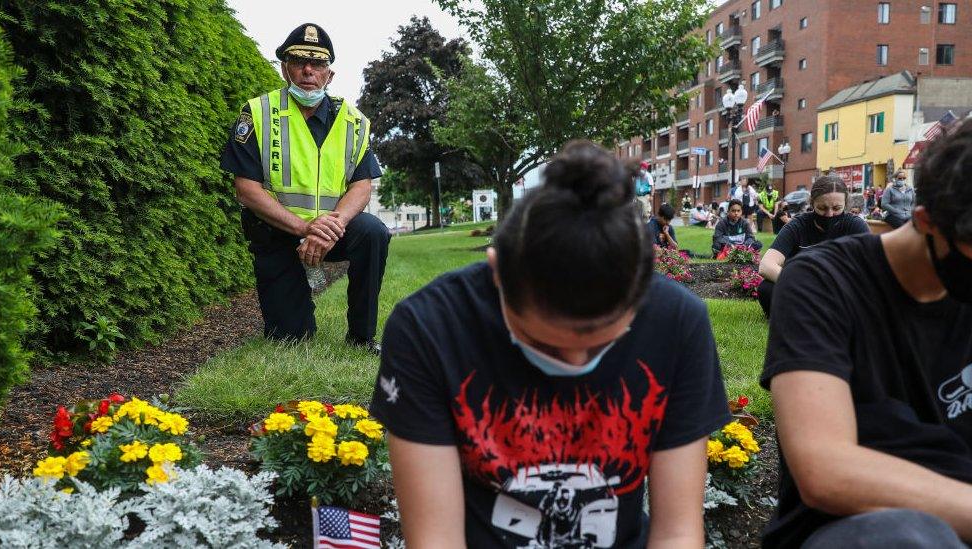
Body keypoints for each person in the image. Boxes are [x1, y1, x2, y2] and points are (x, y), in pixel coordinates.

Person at [370, 141, 730, 547]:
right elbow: (436, 539)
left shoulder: (677, 322)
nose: (576, 363)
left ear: (642, 291)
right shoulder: (429, 329)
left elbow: (677, 532)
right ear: (498, 273)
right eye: (545, 344)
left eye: (603, 345)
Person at [759, 117, 972, 549]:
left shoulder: (853, 227)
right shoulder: (822, 281)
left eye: (837, 209)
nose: (831, 216)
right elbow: (825, 472)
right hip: (859, 529)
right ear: (927, 221)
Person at [220, 23, 390, 353]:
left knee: (373, 232)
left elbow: (362, 186)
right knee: (291, 340)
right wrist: (304, 228)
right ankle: (293, 316)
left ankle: (361, 337)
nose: (308, 70)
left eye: (318, 64)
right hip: (278, 234)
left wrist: (332, 225)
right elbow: (246, 190)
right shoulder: (257, 113)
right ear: (285, 69)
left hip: (331, 231)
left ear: (330, 74)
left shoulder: (354, 121)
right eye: (298, 61)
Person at [756, 175, 869, 316]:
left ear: (845, 204)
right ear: (812, 203)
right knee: (767, 289)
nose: (829, 214)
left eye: (837, 208)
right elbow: (766, 265)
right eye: (822, 208)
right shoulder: (797, 226)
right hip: (802, 287)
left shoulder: (855, 225)